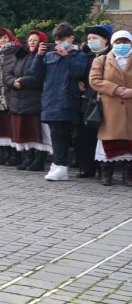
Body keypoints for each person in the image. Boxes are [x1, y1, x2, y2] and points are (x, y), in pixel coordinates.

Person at [30, 23, 91, 182]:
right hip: (50, 99)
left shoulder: (80, 56)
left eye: (62, 39)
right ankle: (58, 165)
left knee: (62, 134)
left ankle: (60, 165)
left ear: (71, 38)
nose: (58, 43)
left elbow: (79, 72)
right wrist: (39, 56)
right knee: (56, 133)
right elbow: (36, 75)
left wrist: (66, 56)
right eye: (56, 40)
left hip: (68, 100)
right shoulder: (50, 56)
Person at [90, 29, 132, 185]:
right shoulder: (101, 60)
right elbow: (94, 81)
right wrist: (116, 89)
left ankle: (128, 175)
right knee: (108, 141)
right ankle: (106, 173)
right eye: (118, 42)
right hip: (110, 108)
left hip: (130, 106)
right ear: (112, 43)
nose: (122, 45)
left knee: (130, 142)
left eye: (125, 42)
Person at [6, 29, 50, 172]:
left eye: (35, 40)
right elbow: (8, 74)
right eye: (30, 40)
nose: (31, 43)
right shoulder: (21, 55)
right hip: (18, 100)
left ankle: (39, 160)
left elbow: (38, 78)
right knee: (23, 131)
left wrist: (21, 82)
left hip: (34, 101)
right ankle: (27, 158)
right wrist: (13, 82)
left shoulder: (44, 56)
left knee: (37, 133)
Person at [76, 25, 113, 179]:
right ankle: (86, 167)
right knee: (85, 135)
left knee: (102, 135)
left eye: (95, 38)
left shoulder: (110, 56)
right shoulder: (86, 56)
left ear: (105, 40)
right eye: (89, 38)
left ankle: (102, 168)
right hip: (87, 101)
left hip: (105, 100)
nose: (91, 41)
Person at [0, 28, 21, 165]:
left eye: (5, 38)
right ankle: (5, 153)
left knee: (10, 126)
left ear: (10, 38)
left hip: (10, 94)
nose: (2, 40)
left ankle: (15, 154)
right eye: (0, 38)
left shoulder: (16, 53)